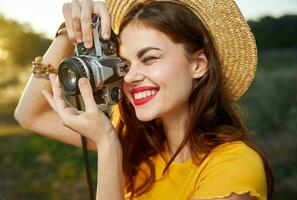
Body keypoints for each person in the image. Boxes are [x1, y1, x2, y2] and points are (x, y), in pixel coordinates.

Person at [14, 0, 274, 199]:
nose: (130, 77)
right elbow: (30, 115)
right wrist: (69, 33)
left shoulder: (234, 166)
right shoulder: (136, 143)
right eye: (125, 64)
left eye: (149, 58)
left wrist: (107, 145)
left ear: (198, 64)